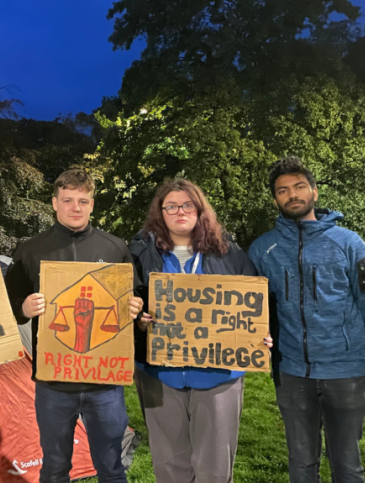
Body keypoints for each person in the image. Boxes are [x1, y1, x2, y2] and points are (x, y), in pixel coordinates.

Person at [249, 157, 365, 483]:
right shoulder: (262, 249)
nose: (292, 194)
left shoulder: (349, 243)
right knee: (301, 463)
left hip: (345, 371)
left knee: (348, 464)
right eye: (283, 190)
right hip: (292, 372)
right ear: (276, 198)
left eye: (298, 187)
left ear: (314, 191)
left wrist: (348, 336)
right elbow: (251, 306)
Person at [4, 168, 143, 483]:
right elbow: (8, 307)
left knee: (111, 466)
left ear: (92, 204)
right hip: (54, 382)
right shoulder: (31, 249)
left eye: (83, 200)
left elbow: (131, 298)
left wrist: (135, 306)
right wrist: (23, 308)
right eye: (68, 200)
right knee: (54, 467)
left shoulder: (115, 247)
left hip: (104, 382)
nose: (75, 207)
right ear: (54, 203)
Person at [130, 178, 273, 483]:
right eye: (171, 206)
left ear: (199, 210)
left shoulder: (229, 252)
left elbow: (255, 304)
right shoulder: (138, 253)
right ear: (160, 211)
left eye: (187, 205)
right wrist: (138, 322)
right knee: (169, 467)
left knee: (214, 469)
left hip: (218, 374)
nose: (179, 211)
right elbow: (124, 306)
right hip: (159, 374)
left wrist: (261, 332)